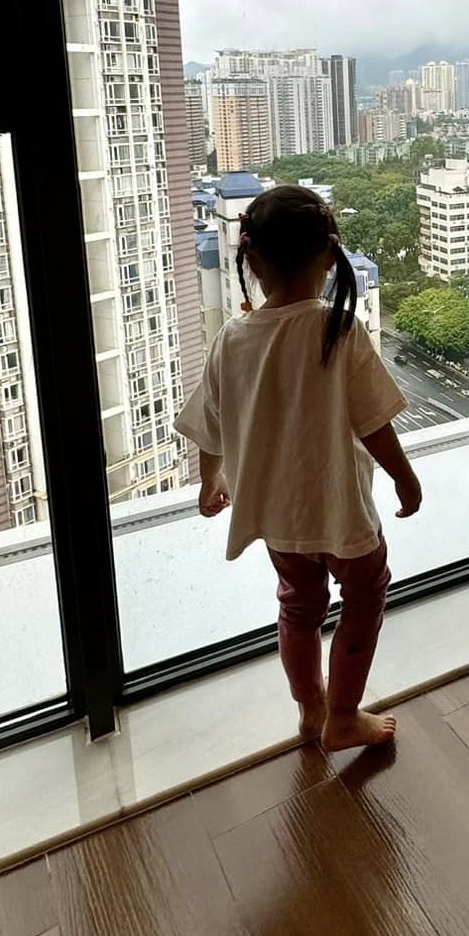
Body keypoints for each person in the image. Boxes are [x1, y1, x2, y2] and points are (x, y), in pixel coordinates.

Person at [176, 183, 421, 752]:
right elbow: (374, 424)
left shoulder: (232, 338)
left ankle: (312, 710)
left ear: (252, 262)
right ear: (328, 257)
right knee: (365, 597)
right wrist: (405, 479)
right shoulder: (339, 329)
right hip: (341, 509)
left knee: (298, 606)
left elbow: (211, 421)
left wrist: (212, 478)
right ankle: (344, 716)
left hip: (278, 517)